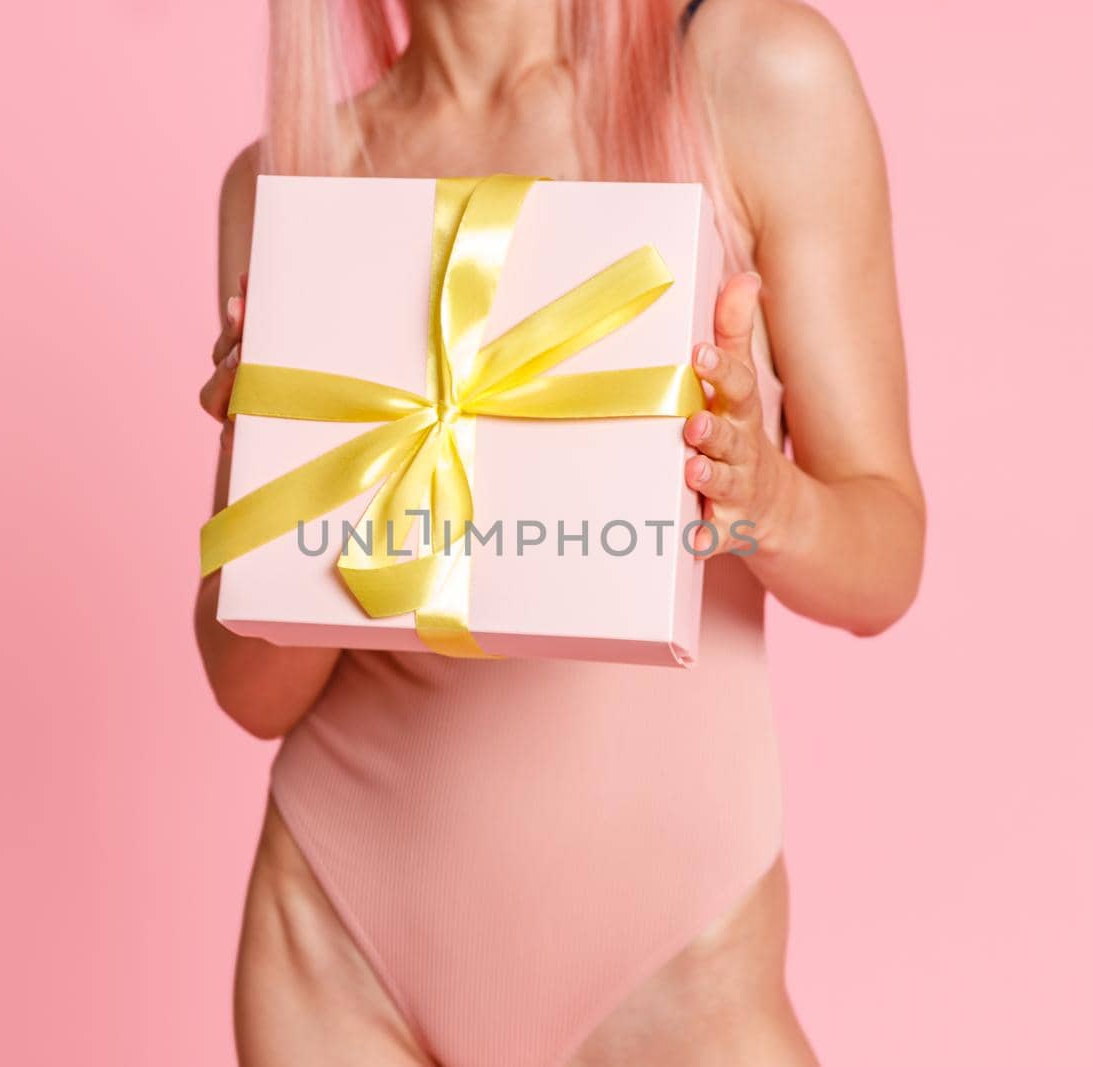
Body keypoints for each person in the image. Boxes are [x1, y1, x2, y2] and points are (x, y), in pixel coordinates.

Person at [195, 1, 924, 1063]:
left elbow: (886, 558)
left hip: (679, 964)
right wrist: (301, 497)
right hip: (337, 946)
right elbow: (247, 689)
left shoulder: (751, 77)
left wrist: (767, 497)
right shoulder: (293, 173)